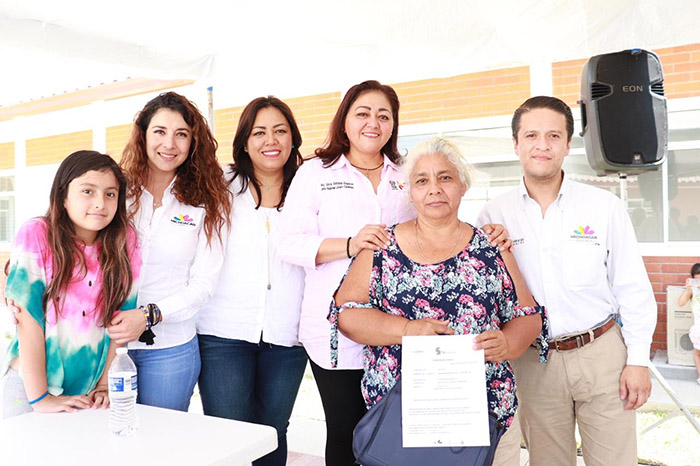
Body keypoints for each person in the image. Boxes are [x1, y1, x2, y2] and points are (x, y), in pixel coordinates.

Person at [333, 137, 544, 466]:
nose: (434, 189)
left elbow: (528, 315)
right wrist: (407, 329)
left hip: (485, 418)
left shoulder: (491, 246)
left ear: (462, 186)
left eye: (445, 177)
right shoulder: (382, 247)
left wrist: (508, 343)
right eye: (422, 180)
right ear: (410, 192)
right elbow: (347, 315)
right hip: (401, 422)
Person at [478, 96, 657, 466]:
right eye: (531, 135)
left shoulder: (603, 206)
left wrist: (638, 360)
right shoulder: (494, 214)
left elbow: (633, 287)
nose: (542, 145)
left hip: (602, 355)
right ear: (516, 144)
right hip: (534, 362)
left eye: (553, 136)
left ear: (567, 144)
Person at [275, 80, 415, 465]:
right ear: (345, 120)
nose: (373, 123)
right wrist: (351, 244)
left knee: (394, 432)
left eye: (384, 116)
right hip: (334, 328)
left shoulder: (407, 173)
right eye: (363, 113)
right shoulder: (315, 172)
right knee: (347, 431)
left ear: (393, 124)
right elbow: (287, 242)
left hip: (398, 324)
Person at [196, 96, 306, 466]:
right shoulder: (220, 185)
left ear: (293, 138)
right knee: (228, 435)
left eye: (280, 131)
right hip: (223, 333)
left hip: (288, 335)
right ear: (244, 142)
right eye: (259, 132)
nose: (270, 140)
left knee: (272, 432)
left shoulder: (309, 187)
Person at [107, 92, 231, 412]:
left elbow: (203, 284)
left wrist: (148, 315)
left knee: (162, 438)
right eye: (160, 131)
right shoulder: (116, 191)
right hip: (106, 343)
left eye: (181, 134)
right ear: (143, 135)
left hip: (170, 350)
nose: (169, 144)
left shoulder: (207, 201)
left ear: (193, 142)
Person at [1, 150, 140, 419]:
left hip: (89, 392)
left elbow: (120, 322)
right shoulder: (37, 234)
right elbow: (27, 319)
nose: (100, 203)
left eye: (110, 194)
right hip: (31, 387)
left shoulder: (125, 241)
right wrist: (41, 397)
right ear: (63, 196)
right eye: (88, 191)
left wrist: (105, 385)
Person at [677, 262, 700, 385]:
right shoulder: (692, 291)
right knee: (698, 353)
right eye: (697, 280)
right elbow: (680, 303)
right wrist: (688, 289)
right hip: (698, 327)